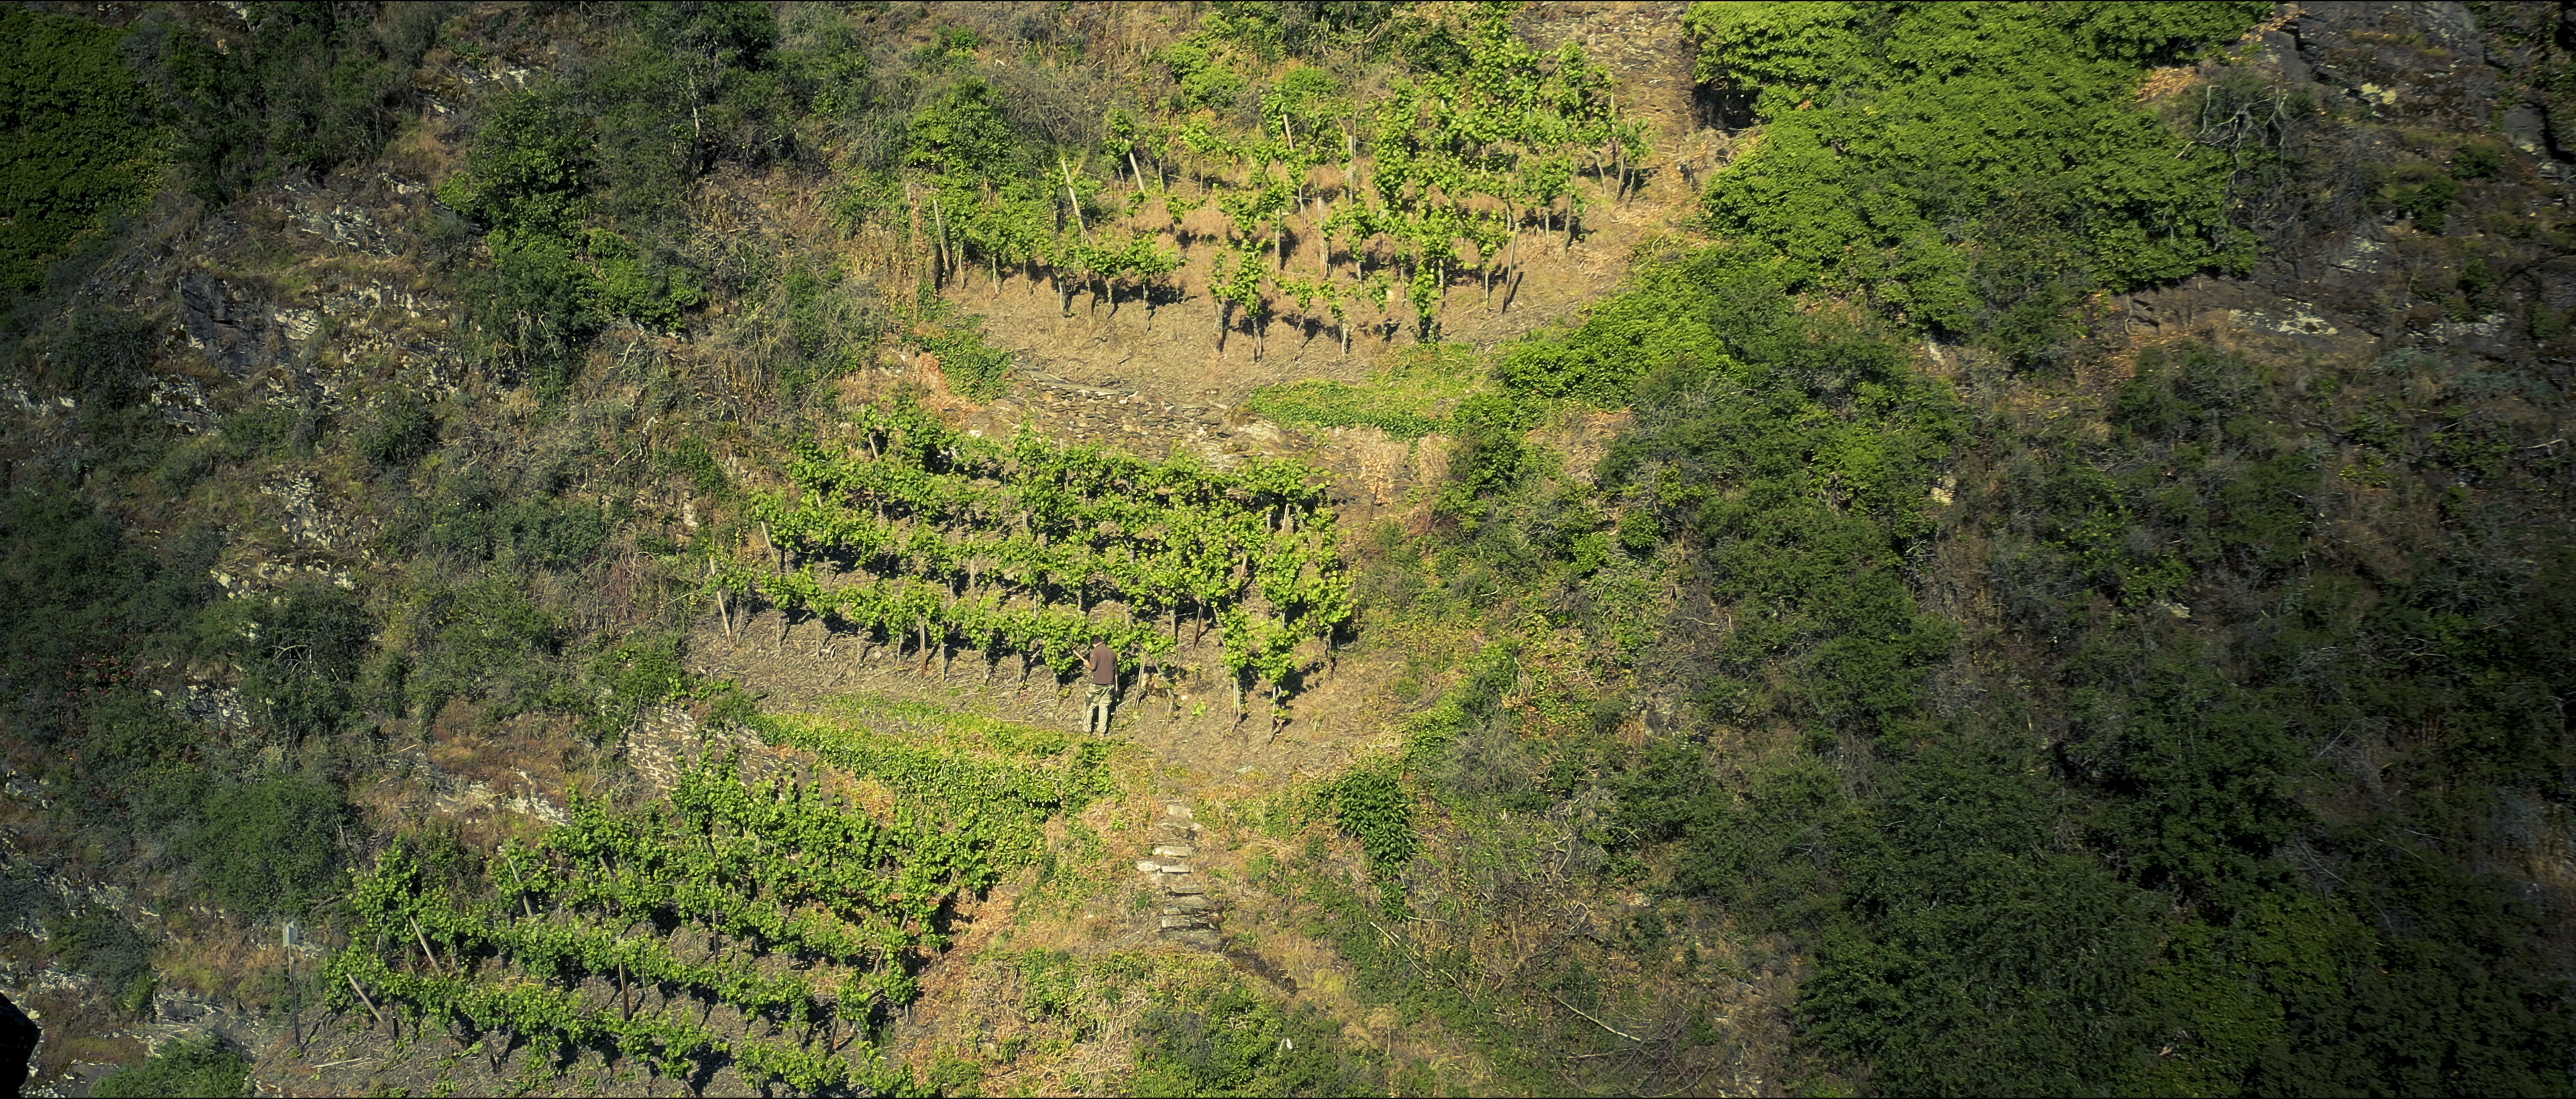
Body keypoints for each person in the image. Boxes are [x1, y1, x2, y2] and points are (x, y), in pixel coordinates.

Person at [1085, 635, 1117, 733]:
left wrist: (1087, 665)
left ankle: (1087, 730)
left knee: (1089, 706)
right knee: (1104, 708)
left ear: (1094, 644)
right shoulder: (1112, 652)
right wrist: (1116, 686)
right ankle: (1101, 732)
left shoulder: (1095, 652)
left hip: (1097, 685)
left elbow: (1093, 667)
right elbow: (1116, 671)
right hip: (1110, 684)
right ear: (1102, 641)